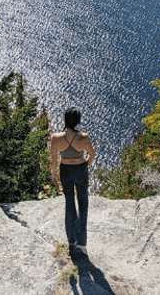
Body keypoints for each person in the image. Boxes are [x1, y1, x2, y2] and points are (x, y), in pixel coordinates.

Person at [49, 107, 96, 256]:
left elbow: (53, 162)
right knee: (83, 204)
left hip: (65, 170)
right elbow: (92, 156)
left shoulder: (56, 138)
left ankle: (71, 241)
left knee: (69, 203)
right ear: (77, 121)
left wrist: (53, 175)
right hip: (80, 168)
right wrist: (85, 166)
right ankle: (82, 244)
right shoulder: (84, 137)